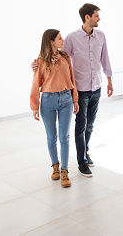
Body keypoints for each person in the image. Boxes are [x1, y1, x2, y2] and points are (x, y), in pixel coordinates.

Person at [32, 3, 112, 178]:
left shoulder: (101, 36)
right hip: (79, 88)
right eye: (96, 16)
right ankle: (80, 161)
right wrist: (38, 65)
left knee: (90, 124)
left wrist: (109, 79)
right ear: (87, 17)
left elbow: (104, 58)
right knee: (79, 126)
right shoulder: (72, 38)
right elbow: (57, 58)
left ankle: (84, 152)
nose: (99, 19)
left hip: (95, 86)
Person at [30, 29, 79, 188]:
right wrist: (35, 106)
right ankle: (55, 167)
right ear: (51, 41)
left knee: (64, 137)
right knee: (51, 137)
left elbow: (72, 78)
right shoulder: (40, 61)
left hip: (66, 99)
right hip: (48, 101)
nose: (62, 40)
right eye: (59, 38)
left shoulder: (65, 58)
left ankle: (65, 171)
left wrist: (75, 99)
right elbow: (36, 83)